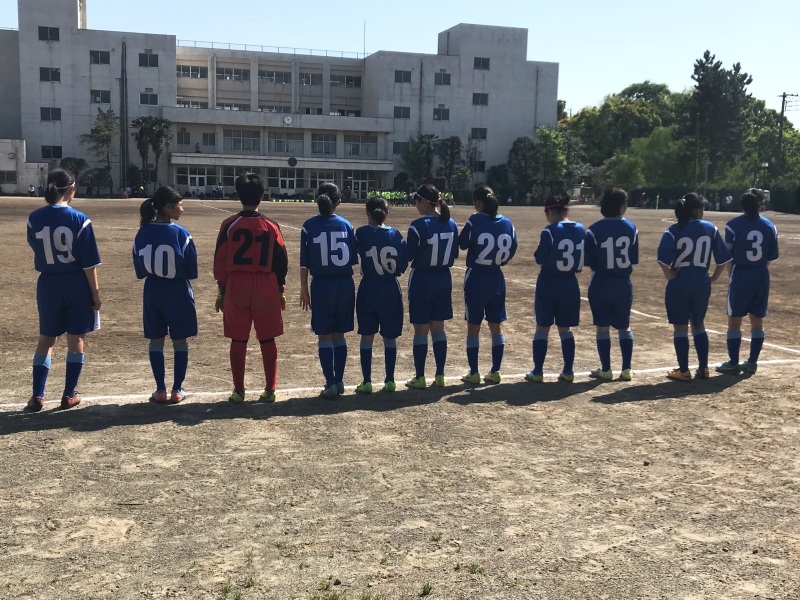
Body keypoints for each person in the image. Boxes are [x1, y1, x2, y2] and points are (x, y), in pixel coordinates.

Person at [25, 168, 101, 412]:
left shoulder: (34, 218)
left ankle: (37, 395)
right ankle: (69, 395)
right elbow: (89, 264)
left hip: (48, 283)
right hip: (75, 283)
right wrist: (95, 293)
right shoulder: (80, 219)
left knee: (46, 339)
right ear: (71, 189)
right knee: (76, 338)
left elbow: (35, 247)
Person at [214, 173, 288, 403]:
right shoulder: (270, 225)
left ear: (238, 195)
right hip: (265, 284)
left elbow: (220, 259)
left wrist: (222, 290)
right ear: (262, 195)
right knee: (268, 339)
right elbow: (281, 260)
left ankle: (239, 390)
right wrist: (280, 290)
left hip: (237, 284)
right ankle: (270, 388)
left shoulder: (229, 225)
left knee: (238, 340)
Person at [133, 186, 198, 404]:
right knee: (180, 339)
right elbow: (191, 270)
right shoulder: (182, 234)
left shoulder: (142, 232)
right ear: (168, 208)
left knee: (156, 339)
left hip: (153, 291)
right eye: (180, 204)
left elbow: (140, 270)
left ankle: (160, 389)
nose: (182, 209)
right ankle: (177, 389)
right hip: (177, 290)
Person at [657, 193, 731, 381]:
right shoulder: (710, 229)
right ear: (697, 210)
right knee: (698, 324)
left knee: (680, 327)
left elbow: (663, 258)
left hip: (680, 282)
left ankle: (683, 370)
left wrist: (669, 274)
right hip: (700, 281)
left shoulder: (673, 230)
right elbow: (723, 258)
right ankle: (704, 368)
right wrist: (713, 277)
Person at [299, 182, 358, 399]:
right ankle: (340, 380)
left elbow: (304, 264)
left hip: (322, 285)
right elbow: (352, 259)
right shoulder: (346, 225)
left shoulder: (309, 226)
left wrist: (304, 289)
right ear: (338, 202)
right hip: (344, 284)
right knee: (339, 334)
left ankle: (330, 383)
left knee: (324, 335)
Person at [458, 185, 518, 384]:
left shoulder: (475, 220)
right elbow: (512, 248)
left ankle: (474, 372)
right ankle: (496, 370)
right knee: (496, 325)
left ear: (477, 203)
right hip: (496, 278)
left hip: (476, 278)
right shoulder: (508, 223)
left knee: (473, 326)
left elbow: (463, 243)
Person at [716, 189, 779, 375]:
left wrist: (732, 274)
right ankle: (752, 362)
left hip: (741, 274)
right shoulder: (769, 226)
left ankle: (733, 362)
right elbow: (770, 257)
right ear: (759, 204)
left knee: (734, 320)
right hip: (760, 275)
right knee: (757, 321)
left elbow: (728, 256)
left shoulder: (733, 225)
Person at [526, 195, 585, 383]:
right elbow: (581, 263)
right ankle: (568, 370)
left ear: (550, 211)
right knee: (565, 329)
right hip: (570, 283)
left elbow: (540, 258)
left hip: (549, 283)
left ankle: (538, 371)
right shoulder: (580, 230)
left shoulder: (549, 231)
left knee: (542, 327)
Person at [405, 184, 459, 389]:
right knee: (439, 329)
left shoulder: (418, 225)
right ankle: (440, 375)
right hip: (443, 279)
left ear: (423, 202)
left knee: (421, 330)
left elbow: (408, 256)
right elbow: (454, 254)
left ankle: (420, 376)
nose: (415, 206)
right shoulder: (451, 223)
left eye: (416, 201)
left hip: (422, 279)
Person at [353, 196, 408, 394]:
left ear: (368, 213)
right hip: (390, 288)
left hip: (369, 288)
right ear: (386, 213)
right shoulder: (396, 235)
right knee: (390, 337)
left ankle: (367, 381)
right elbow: (402, 265)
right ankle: (390, 380)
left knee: (367, 336)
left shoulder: (361, 233)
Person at [584, 188, 639, 381]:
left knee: (602, 327)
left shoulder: (594, 229)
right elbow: (633, 258)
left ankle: (606, 369)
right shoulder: (631, 228)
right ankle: (627, 368)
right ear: (621, 206)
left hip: (600, 282)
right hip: (623, 283)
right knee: (624, 326)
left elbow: (587, 259)